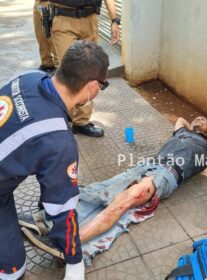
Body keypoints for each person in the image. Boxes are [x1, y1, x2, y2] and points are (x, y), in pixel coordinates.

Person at [19, 116, 207, 261]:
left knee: (126, 199)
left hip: (167, 174)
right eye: (196, 118)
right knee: (101, 191)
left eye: (204, 121)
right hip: (147, 165)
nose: (198, 119)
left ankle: (71, 245)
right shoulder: (181, 132)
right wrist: (193, 128)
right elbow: (180, 119)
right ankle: (45, 221)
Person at [0, 41, 109, 280]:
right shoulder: (58, 142)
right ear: (92, 87)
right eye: (103, 84)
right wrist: (75, 261)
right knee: (12, 271)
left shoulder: (28, 76)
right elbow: (62, 209)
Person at [49, 0, 121, 137]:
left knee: (91, 70)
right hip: (63, 17)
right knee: (67, 70)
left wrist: (114, 21)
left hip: (90, 19)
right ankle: (61, 114)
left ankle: (81, 122)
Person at [33, 0, 58, 74]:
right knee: (40, 35)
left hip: (51, 3)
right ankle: (47, 63)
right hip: (38, 2)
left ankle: (59, 66)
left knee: (53, 37)